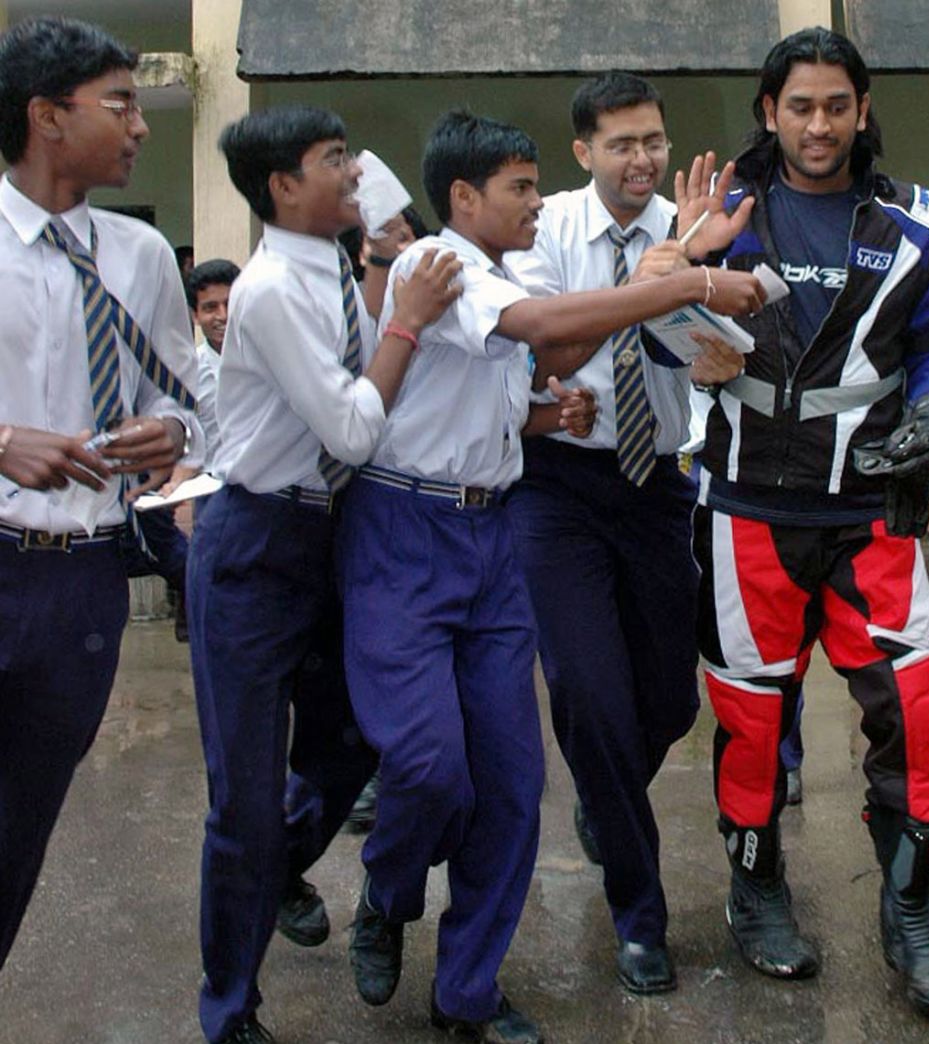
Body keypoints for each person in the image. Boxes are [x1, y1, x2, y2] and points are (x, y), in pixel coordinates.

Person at [340, 108, 765, 1044]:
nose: (535, 203)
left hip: (546, 511)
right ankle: (395, 888)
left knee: (525, 771)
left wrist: (675, 263)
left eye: (536, 188)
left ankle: (468, 990)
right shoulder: (433, 266)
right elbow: (541, 327)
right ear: (465, 198)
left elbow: (533, 364)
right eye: (519, 188)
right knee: (435, 763)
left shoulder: (507, 265)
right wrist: (687, 277)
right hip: (430, 527)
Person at [676, 26, 929, 1015]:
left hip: (871, 513)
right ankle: (756, 889)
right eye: (797, 106)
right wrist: (684, 266)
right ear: (769, 111)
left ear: (861, 109)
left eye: (834, 105)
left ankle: (910, 912)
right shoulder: (723, 215)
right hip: (748, 510)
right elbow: (644, 312)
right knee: (752, 718)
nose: (817, 125)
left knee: (917, 714)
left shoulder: (919, 221)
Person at [185, 104, 463, 1044]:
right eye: (333, 161)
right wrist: (410, 326)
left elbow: (378, 219)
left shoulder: (335, 267)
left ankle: (272, 866)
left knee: (348, 750)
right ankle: (230, 1009)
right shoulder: (266, 290)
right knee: (244, 801)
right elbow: (350, 426)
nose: (353, 174)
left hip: (332, 541)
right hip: (256, 549)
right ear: (282, 187)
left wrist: (387, 264)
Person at [504, 71, 745, 996]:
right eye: (621, 144)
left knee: (668, 705)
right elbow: (538, 340)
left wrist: (715, 316)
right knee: (591, 698)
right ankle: (639, 915)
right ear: (583, 152)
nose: (642, 159)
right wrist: (657, 276)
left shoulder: (698, 232)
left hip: (661, 487)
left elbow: (718, 351)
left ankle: (607, 802)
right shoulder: (550, 229)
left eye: (652, 140)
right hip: (559, 489)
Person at [0, 15, 201, 970]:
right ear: (46, 116)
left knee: (17, 834)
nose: (140, 124)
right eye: (119, 104)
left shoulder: (139, 258)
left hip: (83, 585)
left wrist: (179, 432)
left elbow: (194, 394)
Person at [186, 257, 241, 464]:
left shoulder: (271, 363)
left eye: (230, 304)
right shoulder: (189, 373)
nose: (223, 315)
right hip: (208, 486)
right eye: (210, 308)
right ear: (196, 316)